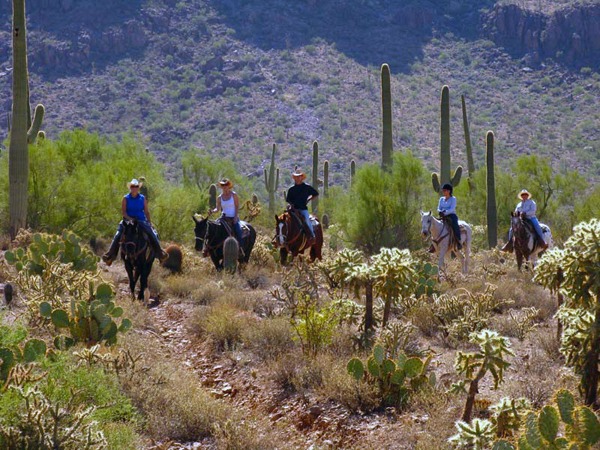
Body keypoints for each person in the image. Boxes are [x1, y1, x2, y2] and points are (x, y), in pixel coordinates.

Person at [102, 179, 168, 266]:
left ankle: (160, 253)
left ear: (138, 188)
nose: (135, 188)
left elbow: (147, 212)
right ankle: (110, 255)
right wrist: (130, 219)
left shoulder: (142, 198)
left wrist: (149, 222)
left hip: (141, 220)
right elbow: (124, 212)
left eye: (136, 186)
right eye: (133, 186)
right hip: (128, 221)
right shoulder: (125, 198)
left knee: (152, 233)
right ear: (130, 188)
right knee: (118, 234)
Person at [285, 170, 319, 245]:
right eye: (296, 177)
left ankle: (312, 236)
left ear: (302, 177)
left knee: (307, 220)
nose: (298, 178)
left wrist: (309, 199)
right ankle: (280, 238)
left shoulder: (307, 187)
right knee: (284, 221)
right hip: (293, 210)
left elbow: (316, 194)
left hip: (303, 209)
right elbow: (288, 200)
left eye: (299, 176)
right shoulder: (291, 189)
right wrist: (291, 206)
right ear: (294, 178)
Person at [212, 179, 243, 248]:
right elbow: (217, 209)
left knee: (238, 230)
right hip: (224, 217)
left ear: (228, 186)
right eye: (223, 185)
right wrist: (212, 211)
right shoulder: (219, 198)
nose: (224, 187)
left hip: (233, 217)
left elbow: (237, 205)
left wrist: (235, 217)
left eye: (226, 185)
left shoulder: (234, 195)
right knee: (214, 229)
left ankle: (241, 248)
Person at [438, 183, 462, 250]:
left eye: (445, 190)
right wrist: (440, 211)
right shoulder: (441, 199)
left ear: (449, 191)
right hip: (442, 215)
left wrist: (445, 212)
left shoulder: (453, 199)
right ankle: (434, 244)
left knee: (455, 225)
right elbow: (438, 207)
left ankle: (458, 241)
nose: (443, 191)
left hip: (451, 215)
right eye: (443, 190)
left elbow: (452, 209)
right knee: (434, 225)